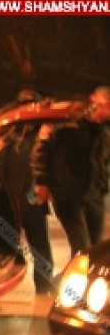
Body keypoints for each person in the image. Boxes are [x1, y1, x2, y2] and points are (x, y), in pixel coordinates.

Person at [0, 90, 54, 294]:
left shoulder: (44, 135)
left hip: (32, 201)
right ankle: (0, 289)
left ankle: (44, 289)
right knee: (8, 251)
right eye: (26, 106)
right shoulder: (8, 135)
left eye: (33, 106)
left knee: (40, 249)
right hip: (11, 201)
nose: (29, 110)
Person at [32, 86, 110, 257]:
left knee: (97, 250)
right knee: (82, 248)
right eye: (107, 104)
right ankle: (75, 275)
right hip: (67, 195)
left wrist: (102, 185)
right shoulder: (66, 121)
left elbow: (103, 161)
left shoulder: (104, 130)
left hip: (94, 195)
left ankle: (88, 275)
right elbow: (41, 151)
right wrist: (41, 182)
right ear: (94, 100)